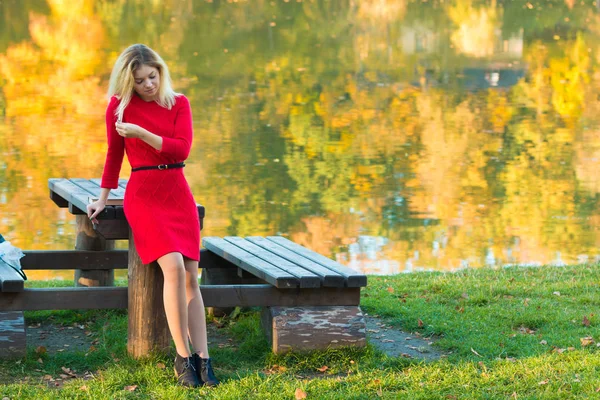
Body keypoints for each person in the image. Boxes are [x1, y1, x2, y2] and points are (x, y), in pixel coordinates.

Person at [86, 44, 219, 388]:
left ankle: (204, 357)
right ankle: (182, 357)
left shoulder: (179, 103)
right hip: (144, 193)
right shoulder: (119, 108)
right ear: (128, 81)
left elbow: (182, 148)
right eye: (140, 80)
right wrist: (102, 198)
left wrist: (142, 133)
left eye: (152, 76)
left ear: (160, 71)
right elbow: (114, 155)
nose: (148, 84)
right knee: (173, 268)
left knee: (192, 275)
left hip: (177, 191)